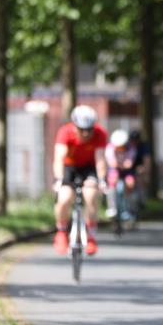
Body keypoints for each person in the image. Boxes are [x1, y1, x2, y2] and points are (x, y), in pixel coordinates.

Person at [53, 105, 108, 256]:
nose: (85, 133)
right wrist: (59, 179)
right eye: (81, 129)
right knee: (64, 198)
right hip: (69, 167)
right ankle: (61, 232)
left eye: (89, 130)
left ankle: (91, 236)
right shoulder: (65, 132)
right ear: (74, 126)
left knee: (91, 196)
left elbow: (100, 159)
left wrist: (102, 180)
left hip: (89, 167)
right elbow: (59, 157)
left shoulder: (100, 133)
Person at [105, 129, 138, 219]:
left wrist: (122, 164)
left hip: (127, 171)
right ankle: (112, 207)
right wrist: (121, 165)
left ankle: (130, 207)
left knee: (130, 183)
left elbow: (129, 164)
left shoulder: (131, 148)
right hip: (115, 169)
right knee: (112, 180)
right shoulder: (110, 148)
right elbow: (112, 163)